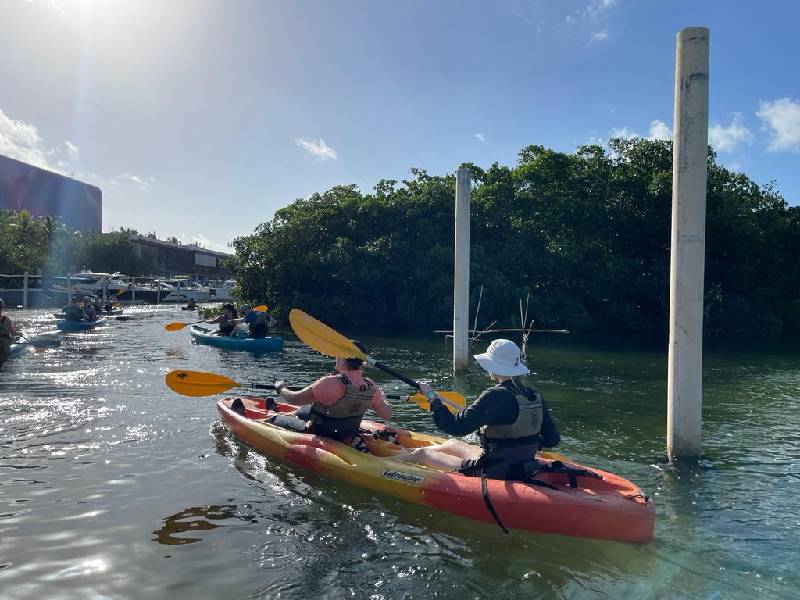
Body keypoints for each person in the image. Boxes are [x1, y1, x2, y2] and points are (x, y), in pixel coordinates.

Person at [397, 339, 560, 481]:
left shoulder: (495, 395)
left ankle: (383, 460)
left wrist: (432, 396)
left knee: (422, 455)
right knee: (452, 444)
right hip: (523, 464)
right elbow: (552, 439)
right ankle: (403, 450)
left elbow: (454, 426)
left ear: (494, 367)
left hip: (492, 469)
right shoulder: (534, 395)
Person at [264, 341, 392, 453]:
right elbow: (386, 414)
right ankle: (349, 437)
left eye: (337, 354)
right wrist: (381, 396)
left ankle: (272, 414)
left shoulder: (330, 382)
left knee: (275, 419)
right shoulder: (371, 386)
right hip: (349, 430)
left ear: (344, 358)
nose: (335, 356)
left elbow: (293, 399)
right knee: (303, 410)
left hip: (320, 431)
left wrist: (281, 388)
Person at [0, 298, 20, 367]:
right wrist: (19, 334)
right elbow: (13, 332)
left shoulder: (6, 319)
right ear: (2, 308)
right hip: (5, 346)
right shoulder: (6, 319)